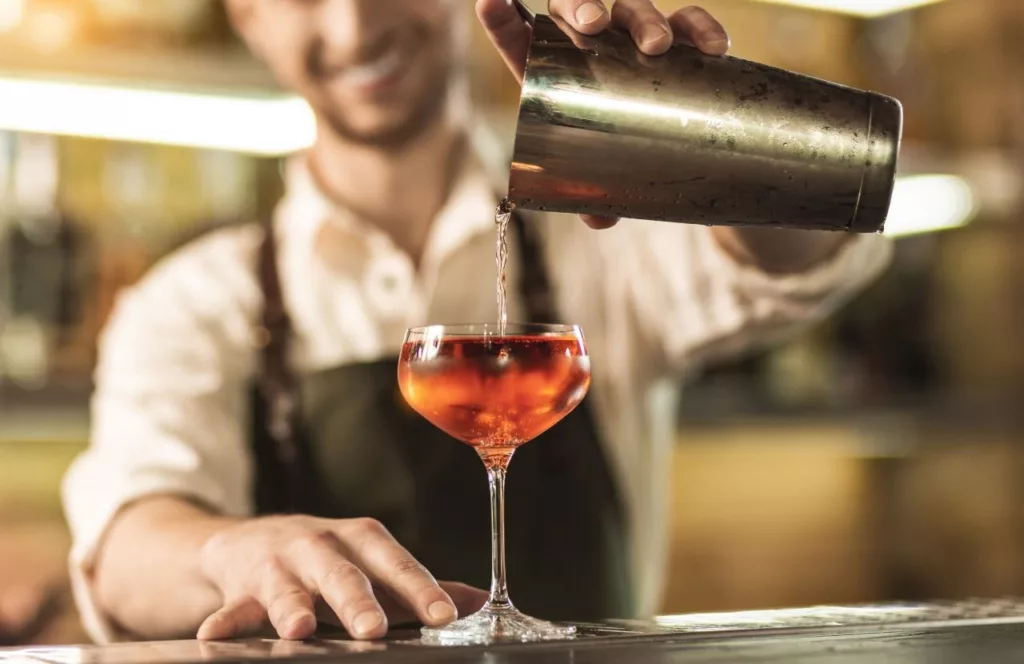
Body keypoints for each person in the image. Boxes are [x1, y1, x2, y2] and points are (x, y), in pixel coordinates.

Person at [62, 0, 892, 644]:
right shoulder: (196, 299)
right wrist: (226, 552)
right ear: (248, 20)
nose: (353, 26)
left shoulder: (601, 240)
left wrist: (700, 124)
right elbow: (128, 542)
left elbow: (801, 264)